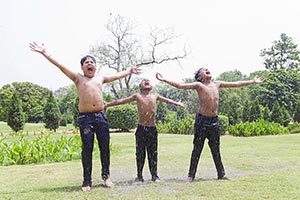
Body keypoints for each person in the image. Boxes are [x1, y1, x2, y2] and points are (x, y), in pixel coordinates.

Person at [29, 42, 141, 191]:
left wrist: (129, 71)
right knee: (87, 149)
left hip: (101, 117)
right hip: (85, 119)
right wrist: (45, 53)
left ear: (95, 66)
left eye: (92, 62)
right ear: (82, 67)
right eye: (86, 62)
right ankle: (87, 181)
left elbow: (116, 76)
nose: (89, 64)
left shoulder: (100, 79)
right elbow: (60, 66)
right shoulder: (78, 78)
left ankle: (106, 177)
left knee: (104, 147)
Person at [156, 68, 264, 182]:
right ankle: (191, 176)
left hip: (214, 121)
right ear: (199, 77)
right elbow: (180, 85)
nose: (207, 69)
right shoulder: (199, 85)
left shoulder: (217, 84)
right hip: (201, 121)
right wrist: (164, 80)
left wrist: (252, 81)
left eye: (207, 69)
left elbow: (236, 84)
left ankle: (221, 174)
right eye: (203, 70)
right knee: (197, 149)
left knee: (216, 149)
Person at [105, 78, 185, 182]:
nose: (146, 81)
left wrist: (178, 104)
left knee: (153, 153)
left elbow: (167, 100)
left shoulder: (155, 96)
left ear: (151, 86)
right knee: (140, 153)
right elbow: (122, 101)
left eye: (148, 81)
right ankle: (139, 176)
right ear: (140, 87)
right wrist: (108, 104)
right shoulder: (137, 96)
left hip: (152, 128)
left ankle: (154, 176)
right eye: (143, 81)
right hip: (141, 128)